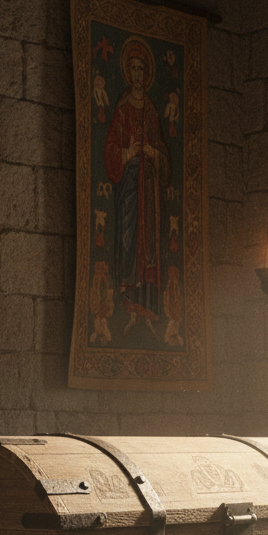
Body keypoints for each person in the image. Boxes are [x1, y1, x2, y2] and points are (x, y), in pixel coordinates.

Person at [102, 37, 171, 337]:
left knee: (150, 249)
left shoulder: (153, 111)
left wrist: (153, 153)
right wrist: (129, 152)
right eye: (134, 69)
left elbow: (163, 153)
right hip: (130, 190)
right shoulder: (122, 109)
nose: (139, 74)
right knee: (130, 242)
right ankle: (130, 309)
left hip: (150, 192)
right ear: (128, 73)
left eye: (143, 69)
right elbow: (110, 151)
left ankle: (149, 312)